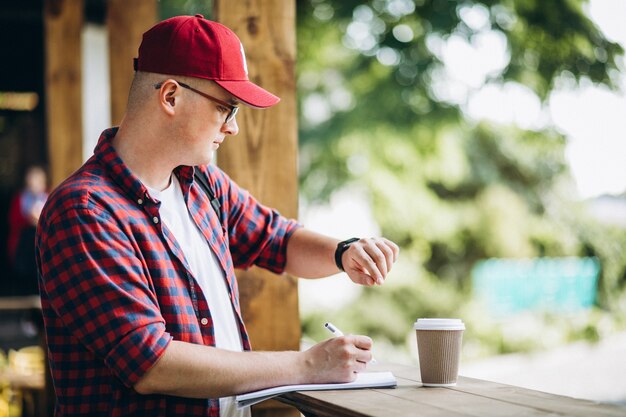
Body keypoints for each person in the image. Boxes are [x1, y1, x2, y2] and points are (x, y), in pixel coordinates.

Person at [36, 14, 399, 417]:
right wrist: (309, 365)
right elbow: (151, 364)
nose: (233, 128)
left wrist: (344, 252)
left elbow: (276, 239)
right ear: (170, 97)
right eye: (226, 108)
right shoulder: (86, 211)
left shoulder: (203, 184)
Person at [7, 165, 48, 295]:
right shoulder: (20, 199)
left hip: (42, 244)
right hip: (24, 247)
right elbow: (13, 221)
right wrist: (28, 220)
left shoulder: (49, 197)